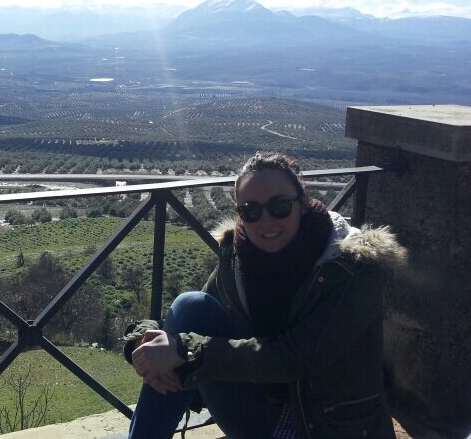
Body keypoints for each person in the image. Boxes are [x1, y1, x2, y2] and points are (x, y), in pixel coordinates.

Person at [123, 152, 406, 439]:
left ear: (303, 203)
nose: (266, 220)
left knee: (185, 348)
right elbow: (190, 321)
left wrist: (185, 351)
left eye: (280, 206)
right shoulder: (240, 256)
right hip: (262, 410)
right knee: (190, 305)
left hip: (329, 425)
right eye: (251, 210)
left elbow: (298, 357)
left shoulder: (351, 268)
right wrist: (144, 342)